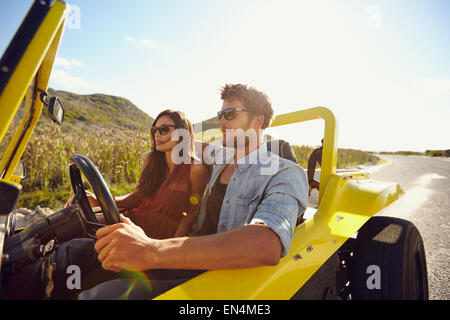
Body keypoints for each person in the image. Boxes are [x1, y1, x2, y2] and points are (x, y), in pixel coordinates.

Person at [77, 83, 309, 299]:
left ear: (257, 121)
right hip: (183, 255)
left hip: (220, 277)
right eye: (220, 115)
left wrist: (151, 250)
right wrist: (164, 135)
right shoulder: (222, 156)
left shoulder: (285, 173)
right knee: (82, 250)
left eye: (230, 114)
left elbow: (266, 244)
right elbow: (187, 142)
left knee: (102, 295)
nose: (221, 122)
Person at [2, 109, 209, 299]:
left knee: (78, 244)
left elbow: (191, 212)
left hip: (157, 235)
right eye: (155, 129)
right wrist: (100, 200)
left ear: (182, 133)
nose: (157, 134)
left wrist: (169, 250)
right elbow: (137, 197)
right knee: (72, 220)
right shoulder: (152, 161)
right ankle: (17, 262)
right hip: (134, 220)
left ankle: (31, 283)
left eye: (164, 129)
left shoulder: (195, 168)